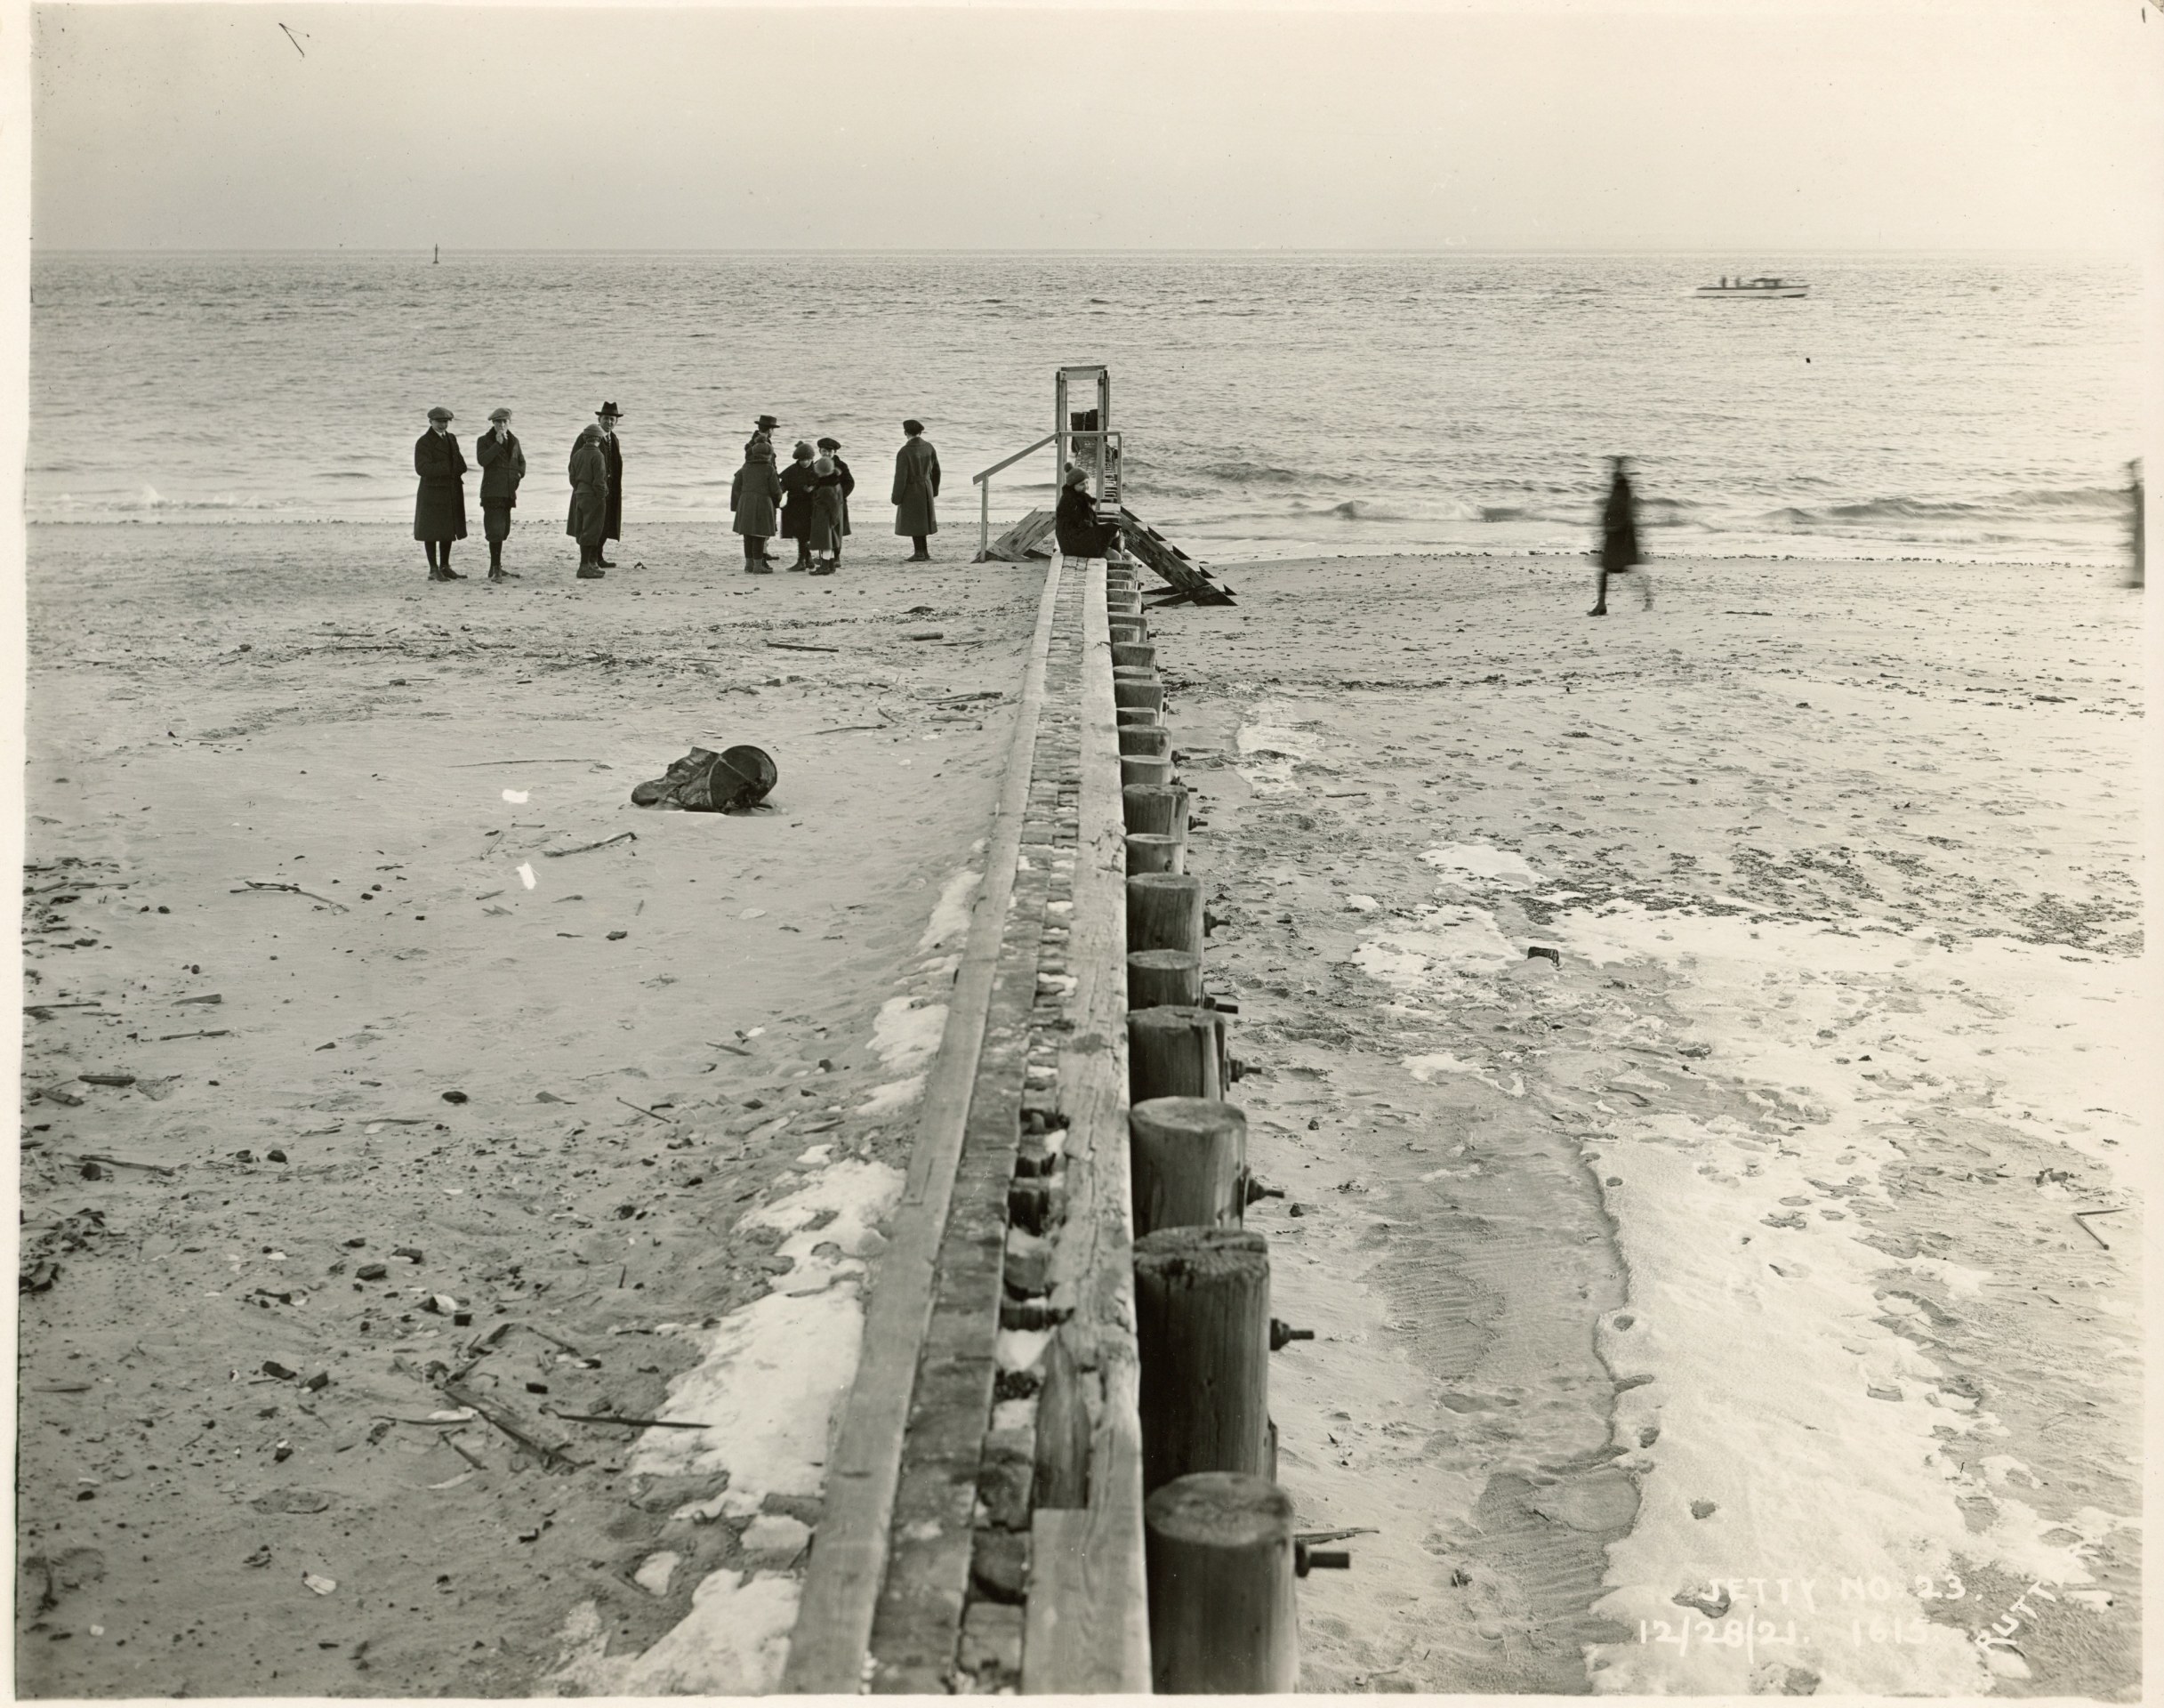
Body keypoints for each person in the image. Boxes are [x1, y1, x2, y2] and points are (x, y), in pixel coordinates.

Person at [1589, 456, 1652, 616]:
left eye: (1616, 467)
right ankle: (1646, 598)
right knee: (1614, 570)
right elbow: (1615, 509)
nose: (1613, 470)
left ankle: (1647, 598)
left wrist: (1614, 528)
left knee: (1617, 569)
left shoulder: (1622, 486)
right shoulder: (1618, 485)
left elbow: (1626, 512)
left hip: (1620, 536)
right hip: (1614, 534)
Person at [414, 407, 469, 581]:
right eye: (439, 421)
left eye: (445, 422)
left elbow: (460, 463)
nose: (443, 425)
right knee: (431, 531)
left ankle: (445, 567)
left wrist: (459, 468)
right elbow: (421, 468)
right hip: (432, 492)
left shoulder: (451, 438)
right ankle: (433, 569)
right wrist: (449, 468)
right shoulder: (424, 442)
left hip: (451, 490)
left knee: (448, 530)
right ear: (430, 422)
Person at [475, 407, 526, 582]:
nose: (501, 425)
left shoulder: (514, 440)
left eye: (504, 421)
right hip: (492, 492)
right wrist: (496, 444)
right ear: (493, 423)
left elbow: (521, 461)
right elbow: (482, 461)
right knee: (494, 531)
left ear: (509, 422)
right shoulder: (484, 440)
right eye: (498, 422)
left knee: (503, 531)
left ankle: (495, 567)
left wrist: (519, 475)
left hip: (508, 492)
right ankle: (496, 568)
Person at [732, 415, 784, 574]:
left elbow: (736, 485)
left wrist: (737, 504)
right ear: (770, 430)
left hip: (746, 501)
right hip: (763, 501)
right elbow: (776, 490)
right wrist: (776, 501)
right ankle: (758, 564)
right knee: (761, 534)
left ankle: (749, 565)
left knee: (748, 534)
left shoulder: (745, 466)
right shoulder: (768, 466)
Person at [892, 418, 940, 560]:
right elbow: (937, 471)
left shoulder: (905, 451)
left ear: (905, 433)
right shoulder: (929, 447)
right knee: (923, 521)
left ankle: (919, 553)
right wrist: (934, 490)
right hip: (926, 486)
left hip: (912, 488)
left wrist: (896, 497)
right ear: (920, 432)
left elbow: (900, 477)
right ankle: (924, 552)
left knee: (915, 521)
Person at [567, 423, 609, 578]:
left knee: (583, 528)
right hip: (593, 496)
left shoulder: (578, 454)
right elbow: (599, 480)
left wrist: (579, 488)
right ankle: (585, 566)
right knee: (592, 530)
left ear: (585, 438)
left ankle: (588, 564)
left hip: (580, 494)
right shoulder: (598, 455)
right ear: (598, 439)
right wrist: (602, 494)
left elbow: (571, 476)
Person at [1054, 463, 1120, 559]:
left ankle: (1111, 552)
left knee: (1112, 531)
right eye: (1082, 484)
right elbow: (1084, 523)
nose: (1086, 486)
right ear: (1073, 485)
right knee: (1112, 531)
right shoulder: (1073, 501)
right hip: (1073, 542)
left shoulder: (1074, 496)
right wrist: (1098, 533)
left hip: (1069, 541)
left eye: (1087, 482)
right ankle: (1112, 553)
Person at [805, 452, 848, 575]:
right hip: (828, 518)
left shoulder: (827, 487)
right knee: (831, 542)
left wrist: (833, 520)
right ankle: (831, 565)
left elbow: (833, 505)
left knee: (825, 544)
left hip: (824, 518)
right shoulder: (834, 482)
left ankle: (824, 567)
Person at [777, 440, 817, 570]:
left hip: (811, 508)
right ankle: (808, 559)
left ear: (812, 458)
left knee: (804, 535)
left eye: (807, 459)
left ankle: (802, 561)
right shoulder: (791, 470)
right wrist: (776, 496)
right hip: (794, 507)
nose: (804, 462)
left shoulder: (816, 470)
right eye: (801, 459)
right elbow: (782, 486)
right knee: (800, 535)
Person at [817, 435, 856, 568]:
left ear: (835, 452)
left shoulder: (841, 465)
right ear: (819, 451)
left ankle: (837, 557)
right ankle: (823, 557)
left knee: (836, 530)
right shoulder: (817, 464)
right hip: (821, 504)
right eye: (824, 451)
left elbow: (850, 483)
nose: (827, 453)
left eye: (830, 451)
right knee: (822, 530)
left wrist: (840, 496)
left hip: (838, 503)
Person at [596, 403, 624, 567]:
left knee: (607, 523)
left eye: (612, 419)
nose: (609, 422)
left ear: (616, 422)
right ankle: (591, 559)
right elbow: (576, 463)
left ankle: (599, 557)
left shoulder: (613, 439)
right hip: (596, 490)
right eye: (606, 418)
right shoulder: (590, 435)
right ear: (599, 419)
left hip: (611, 489)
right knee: (594, 525)